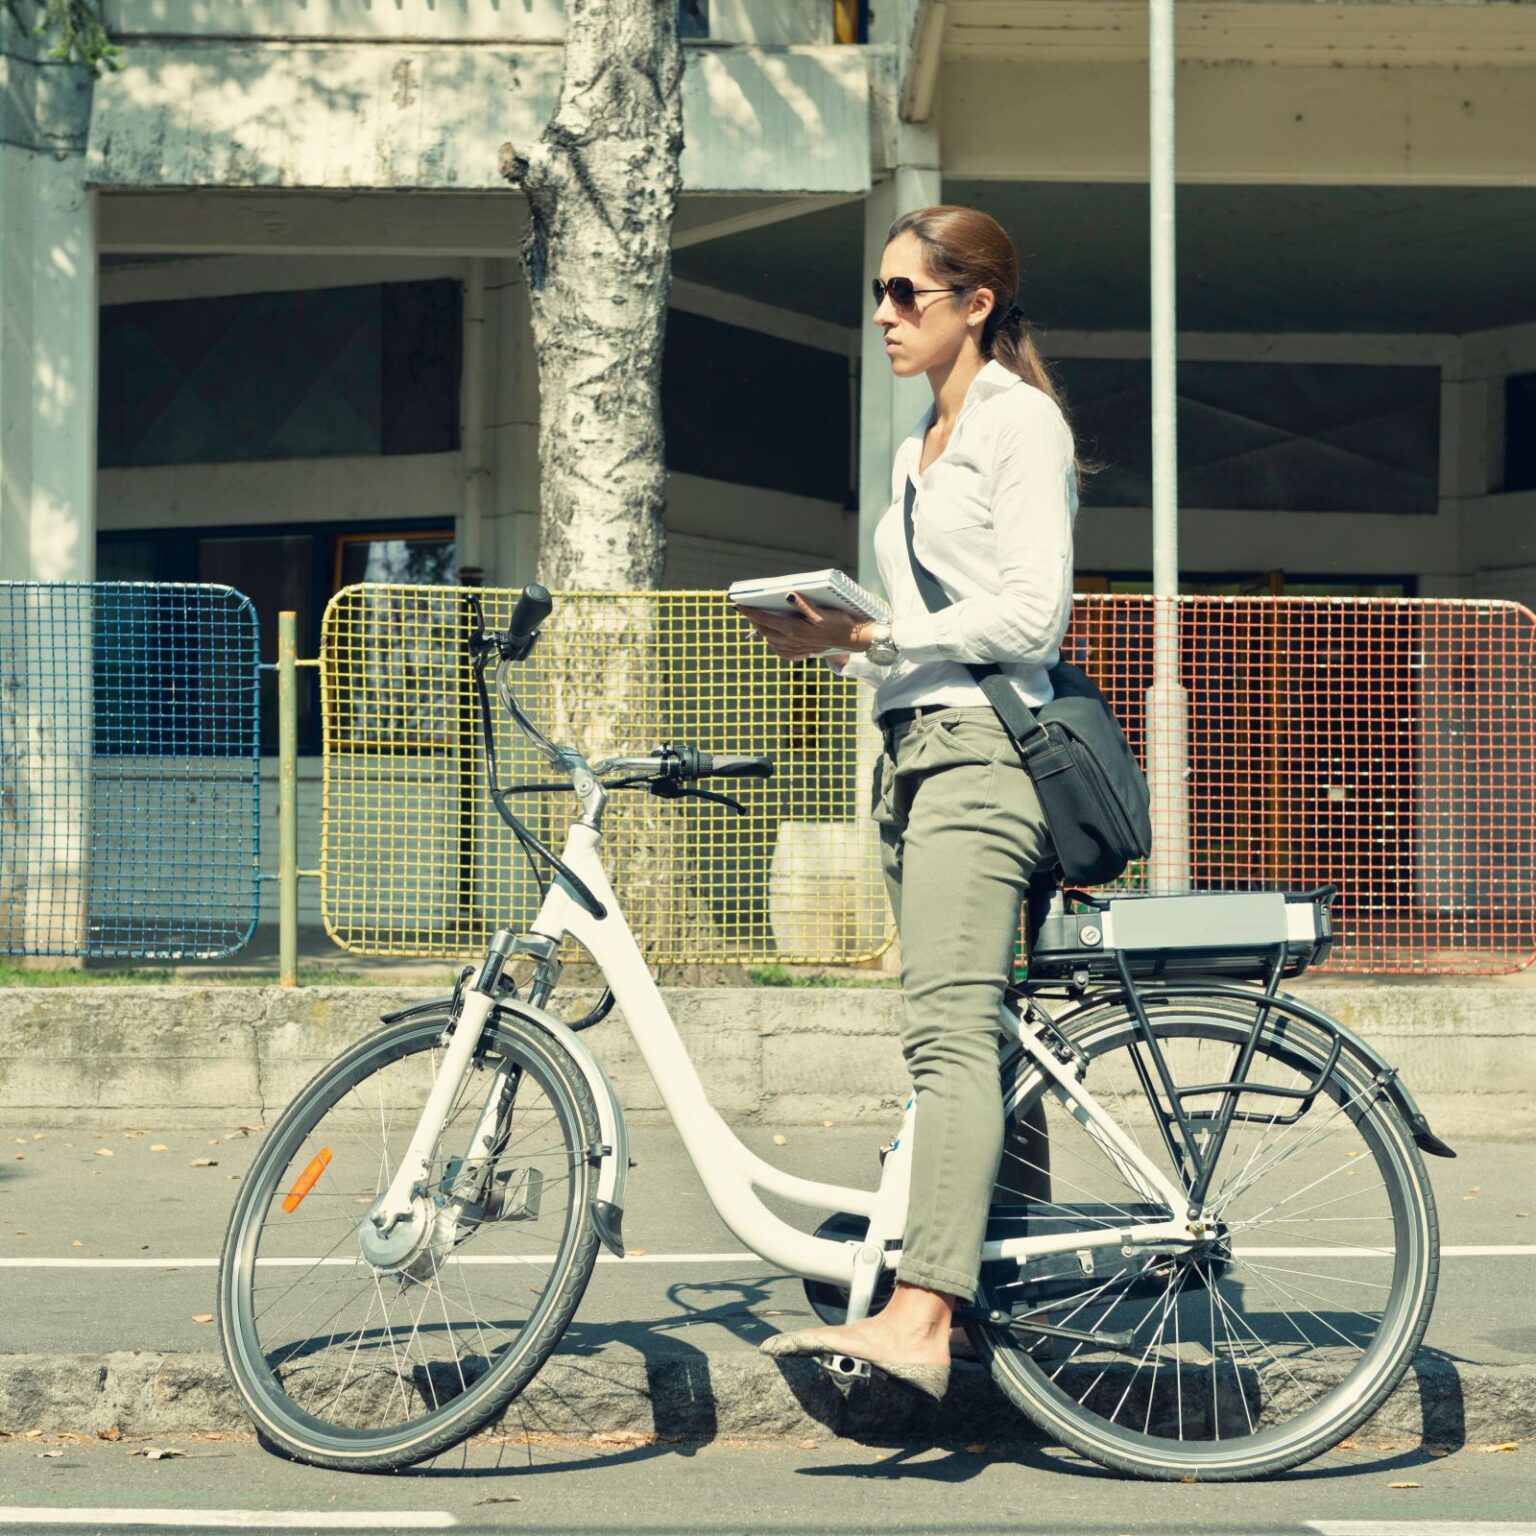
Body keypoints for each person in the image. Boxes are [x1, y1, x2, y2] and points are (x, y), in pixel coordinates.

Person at [738, 204, 1082, 1404]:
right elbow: (920, 646)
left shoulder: (1019, 423)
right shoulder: (915, 447)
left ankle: (925, 1312)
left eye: (906, 295)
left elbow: (1033, 616)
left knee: (950, 1035)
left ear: (975, 304)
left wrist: (881, 633)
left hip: (985, 760)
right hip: (916, 751)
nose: (884, 316)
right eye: (877, 296)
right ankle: (998, 1300)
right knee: (983, 1036)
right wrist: (837, 644)